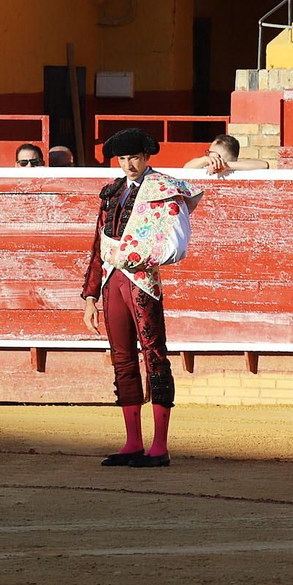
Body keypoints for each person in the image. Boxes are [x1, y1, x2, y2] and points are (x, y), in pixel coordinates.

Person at [80, 128, 203, 468]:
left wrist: (143, 257)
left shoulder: (164, 188)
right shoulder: (112, 192)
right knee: (122, 358)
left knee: (154, 355)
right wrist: (90, 296)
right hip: (112, 280)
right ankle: (133, 442)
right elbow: (98, 246)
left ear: (146, 157)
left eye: (134, 157)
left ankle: (159, 447)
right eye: (122, 158)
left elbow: (176, 241)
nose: (128, 164)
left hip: (142, 280)